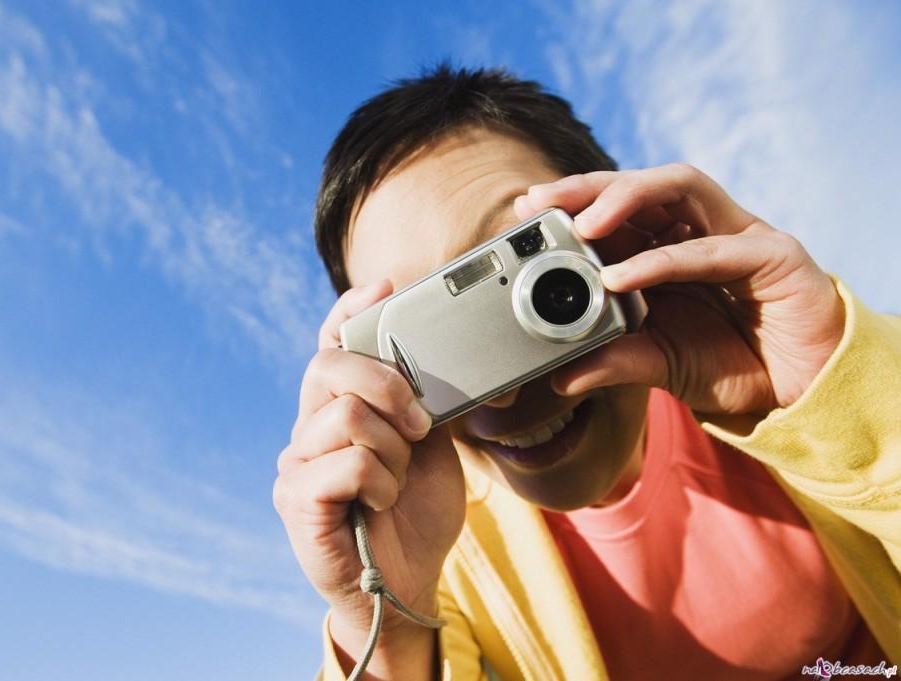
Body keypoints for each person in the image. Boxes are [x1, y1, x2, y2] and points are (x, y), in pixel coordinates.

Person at [272, 65, 901, 680]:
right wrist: (385, 618)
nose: (507, 390)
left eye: (535, 283)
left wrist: (842, 406)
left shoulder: (813, 367)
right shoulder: (432, 553)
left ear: (613, 226)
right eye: (424, 347)